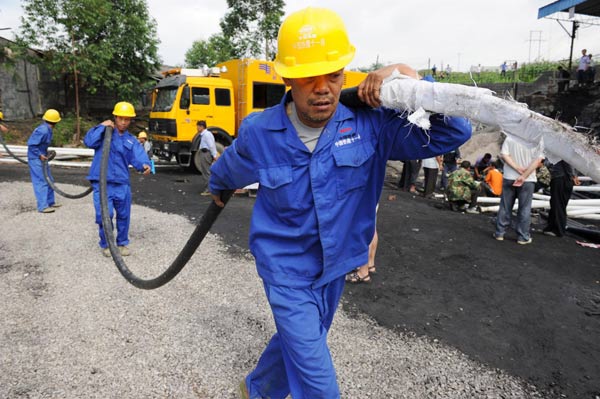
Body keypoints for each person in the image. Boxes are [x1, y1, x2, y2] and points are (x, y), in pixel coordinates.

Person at [207, 7, 472, 399]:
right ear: (287, 77)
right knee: (319, 385)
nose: (323, 88)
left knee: (301, 341)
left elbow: (456, 129)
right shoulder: (260, 132)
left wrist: (405, 78)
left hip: (336, 265)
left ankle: (258, 389)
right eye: (309, 77)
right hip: (286, 271)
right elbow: (228, 169)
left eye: (332, 75)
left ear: (345, 73)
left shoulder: (371, 123)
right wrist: (217, 188)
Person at [84, 102, 151, 257]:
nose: (123, 122)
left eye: (127, 119)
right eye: (121, 118)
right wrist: (101, 126)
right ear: (115, 117)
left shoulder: (131, 140)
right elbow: (89, 142)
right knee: (104, 215)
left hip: (121, 182)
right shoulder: (104, 133)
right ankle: (107, 244)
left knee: (124, 214)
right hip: (102, 182)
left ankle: (121, 243)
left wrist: (145, 165)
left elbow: (138, 156)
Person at [493, 136, 545, 244]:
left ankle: (500, 233)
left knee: (505, 206)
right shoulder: (537, 140)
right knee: (524, 208)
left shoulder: (510, 137)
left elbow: (504, 155)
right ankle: (522, 237)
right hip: (528, 180)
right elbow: (538, 161)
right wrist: (524, 175)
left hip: (509, 177)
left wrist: (517, 168)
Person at [27, 109, 62, 213]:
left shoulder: (47, 129)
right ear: (56, 121)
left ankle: (50, 202)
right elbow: (31, 144)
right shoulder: (43, 130)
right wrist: (39, 154)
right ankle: (42, 206)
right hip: (36, 158)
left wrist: (44, 153)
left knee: (49, 179)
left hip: (42, 157)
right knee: (41, 181)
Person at [543, 161, 580, 237]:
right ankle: (551, 227)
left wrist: (573, 176)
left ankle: (558, 230)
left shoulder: (565, 151)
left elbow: (567, 161)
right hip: (563, 177)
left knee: (558, 203)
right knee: (556, 203)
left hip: (562, 178)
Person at [196, 120, 218, 195]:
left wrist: (214, 155)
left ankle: (209, 190)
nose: (197, 128)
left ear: (202, 127)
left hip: (206, 154)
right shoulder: (205, 134)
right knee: (206, 171)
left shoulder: (206, 135)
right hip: (204, 153)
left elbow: (211, 145)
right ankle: (209, 188)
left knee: (206, 172)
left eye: (198, 126)